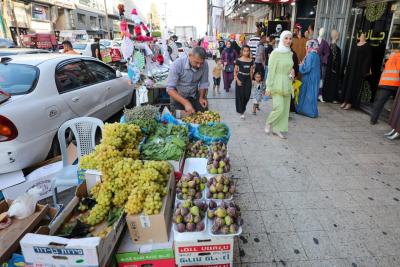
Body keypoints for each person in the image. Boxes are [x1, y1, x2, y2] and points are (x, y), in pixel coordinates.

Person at [265, 31, 294, 139]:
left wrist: (292, 73)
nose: (288, 41)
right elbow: (271, 71)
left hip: (287, 83)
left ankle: (277, 129)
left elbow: (290, 68)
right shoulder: (275, 53)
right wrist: (268, 87)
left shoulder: (290, 53)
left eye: (290, 38)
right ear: (281, 39)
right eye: (286, 38)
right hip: (276, 83)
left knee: (285, 109)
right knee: (279, 107)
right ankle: (269, 122)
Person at [166, 46, 209, 114]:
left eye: (201, 63)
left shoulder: (205, 65)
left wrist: (201, 97)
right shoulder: (177, 65)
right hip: (178, 97)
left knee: (203, 115)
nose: (199, 66)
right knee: (179, 120)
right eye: (196, 62)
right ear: (190, 55)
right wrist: (186, 103)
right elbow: (170, 89)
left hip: (194, 95)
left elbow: (203, 83)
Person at [341, 33, 371, 110]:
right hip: (351, 68)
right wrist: (347, 67)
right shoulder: (355, 44)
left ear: (365, 37)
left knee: (354, 85)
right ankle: (345, 100)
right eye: (360, 36)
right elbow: (351, 56)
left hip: (358, 70)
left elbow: (367, 60)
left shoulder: (367, 46)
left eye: (363, 36)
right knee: (348, 84)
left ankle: (350, 102)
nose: (361, 37)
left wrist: (363, 71)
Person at [370, 50, 400, 124]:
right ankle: (395, 123)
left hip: (385, 82)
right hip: (395, 83)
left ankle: (373, 120)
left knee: (380, 102)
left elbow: (385, 67)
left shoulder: (392, 56)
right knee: (397, 104)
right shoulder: (399, 57)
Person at [296, 39, 321, 118]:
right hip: (315, 77)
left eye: (307, 46)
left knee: (307, 93)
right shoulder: (316, 55)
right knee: (312, 94)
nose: (306, 48)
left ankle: (307, 111)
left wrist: (300, 66)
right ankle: (312, 111)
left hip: (309, 77)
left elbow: (306, 68)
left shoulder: (310, 55)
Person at [234, 45, 254, 119]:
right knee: (240, 96)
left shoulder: (251, 60)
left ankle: (243, 107)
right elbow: (235, 71)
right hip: (240, 77)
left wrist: (251, 81)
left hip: (248, 78)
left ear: (249, 52)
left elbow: (251, 72)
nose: (246, 52)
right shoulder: (238, 60)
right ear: (242, 51)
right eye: (244, 51)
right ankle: (241, 111)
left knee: (247, 95)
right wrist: (237, 80)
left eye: (247, 51)